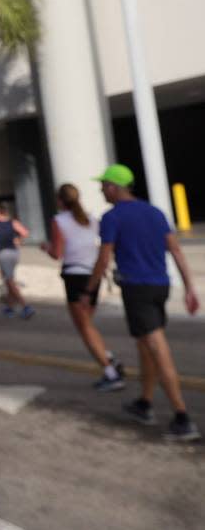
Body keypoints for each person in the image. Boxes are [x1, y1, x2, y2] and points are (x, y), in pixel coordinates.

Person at [87, 164, 201, 442]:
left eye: (104, 185)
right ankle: (145, 403)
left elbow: (104, 258)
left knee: (156, 347)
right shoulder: (155, 212)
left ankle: (182, 417)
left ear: (115, 187)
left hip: (137, 289)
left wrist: (89, 290)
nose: (101, 189)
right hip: (159, 286)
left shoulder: (111, 218)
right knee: (144, 344)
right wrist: (189, 287)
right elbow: (175, 249)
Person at [46, 183, 125, 392]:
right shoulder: (92, 220)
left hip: (75, 275)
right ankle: (108, 357)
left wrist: (46, 247)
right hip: (93, 275)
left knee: (84, 327)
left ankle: (110, 371)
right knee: (87, 323)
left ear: (60, 201)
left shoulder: (59, 220)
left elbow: (57, 253)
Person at [0, 203, 34, 319]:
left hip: (3, 254)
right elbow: (25, 233)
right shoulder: (13, 222)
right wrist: (18, 239)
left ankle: (25, 305)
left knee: (9, 280)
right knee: (8, 280)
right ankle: (10, 307)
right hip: (14, 252)